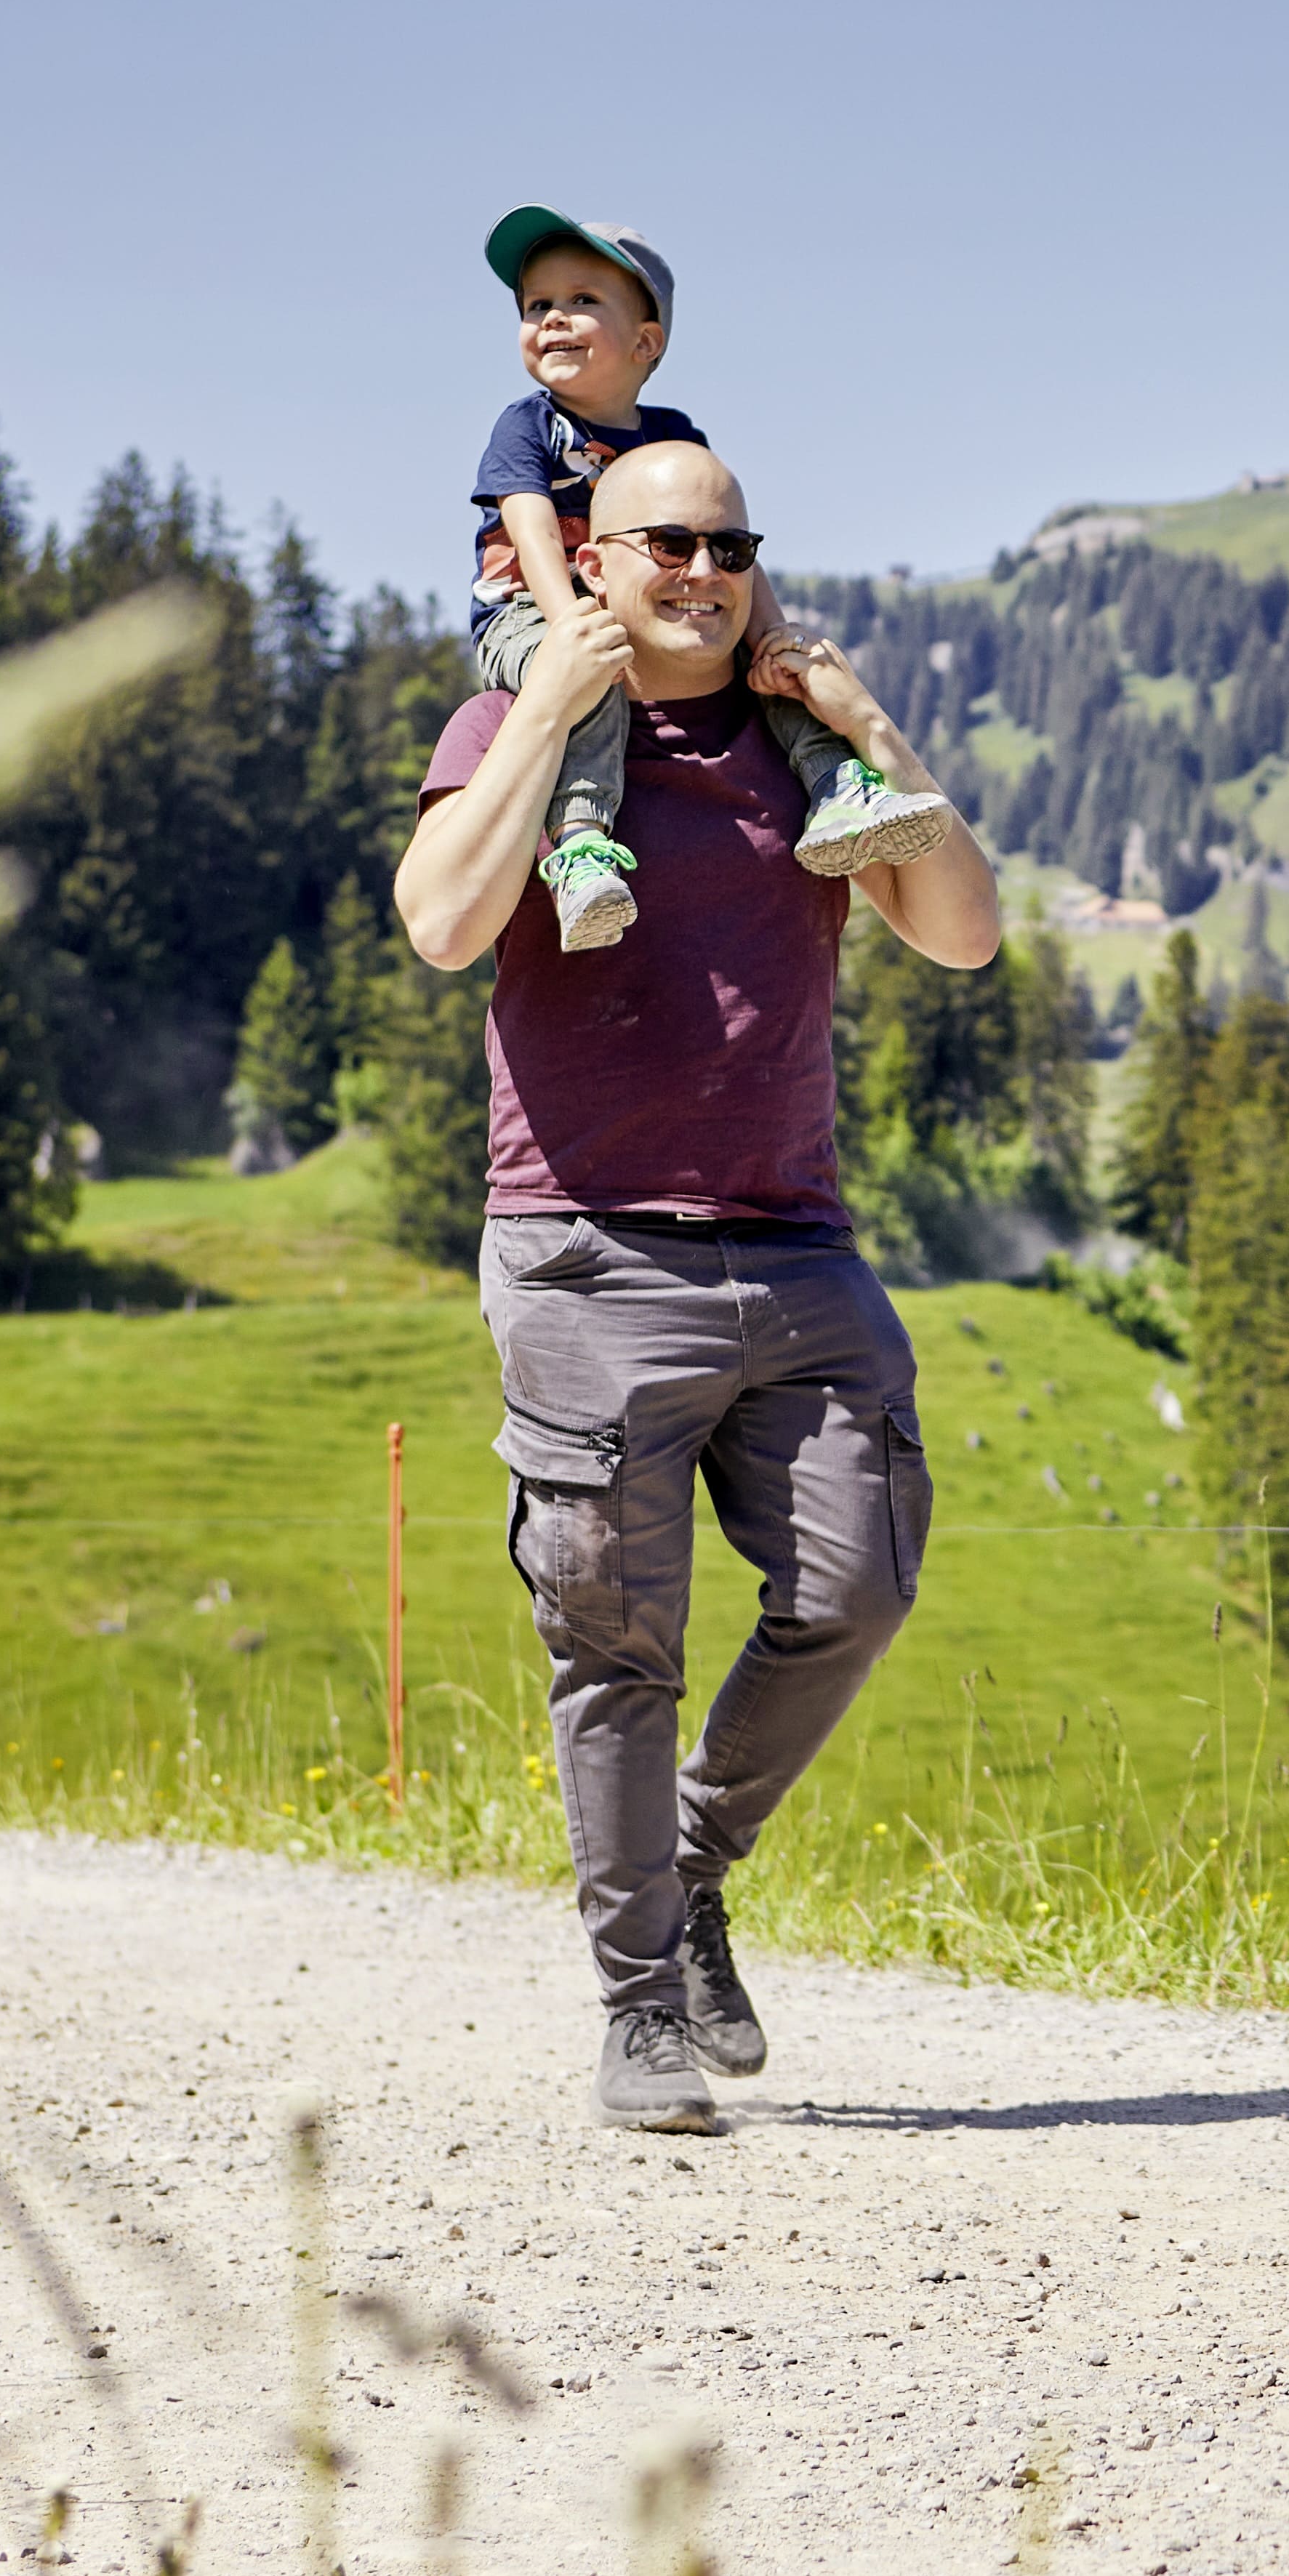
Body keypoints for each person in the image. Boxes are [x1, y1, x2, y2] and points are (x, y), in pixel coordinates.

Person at [394, 434, 1005, 2132]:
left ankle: (693, 1852)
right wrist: (543, 713)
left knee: (860, 1577)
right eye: (668, 542)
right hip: (587, 1254)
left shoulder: (800, 754)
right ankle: (643, 2004)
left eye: (732, 543)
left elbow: (961, 929)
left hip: (798, 1242)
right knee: (615, 1636)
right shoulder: (504, 733)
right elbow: (444, 924)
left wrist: (877, 732)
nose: (705, 569)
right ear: (591, 562)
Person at [467, 206, 945, 952]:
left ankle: (835, 787)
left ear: (645, 342)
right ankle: (582, 842)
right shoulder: (528, 426)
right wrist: (568, 629)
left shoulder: (675, 437)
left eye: (582, 301)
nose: (554, 319)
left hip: (623, 610)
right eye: (538, 306)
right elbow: (529, 530)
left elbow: (722, 550)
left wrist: (772, 638)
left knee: (771, 672)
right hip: (528, 610)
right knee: (592, 683)